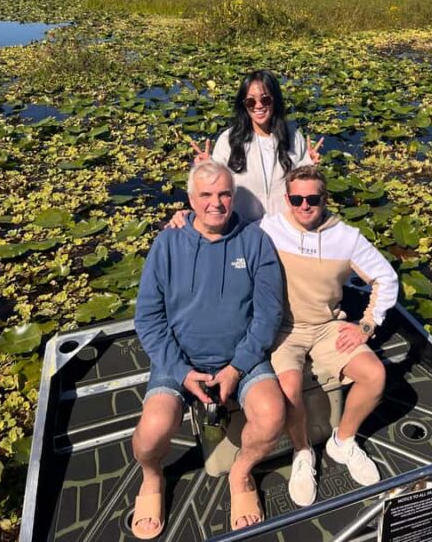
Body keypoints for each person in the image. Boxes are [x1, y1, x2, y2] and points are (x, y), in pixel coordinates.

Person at [132, 161, 286, 539]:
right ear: (190, 200)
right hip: (179, 361)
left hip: (241, 359)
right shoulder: (168, 242)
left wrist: (237, 367)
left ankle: (241, 472)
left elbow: (269, 314)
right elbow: (148, 319)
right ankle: (152, 478)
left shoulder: (255, 241)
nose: (216, 203)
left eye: (224, 194)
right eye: (206, 195)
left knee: (272, 415)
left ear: (233, 197)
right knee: (152, 431)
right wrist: (181, 371)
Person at [261, 165, 398, 507]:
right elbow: (224, 237)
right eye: (296, 198)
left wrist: (367, 325)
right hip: (284, 328)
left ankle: (343, 440)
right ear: (286, 199)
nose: (304, 205)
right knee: (289, 388)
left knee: (375, 374)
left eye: (312, 198)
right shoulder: (268, 229)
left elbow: (386, 278)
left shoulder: (347, 237)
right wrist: (185, 220)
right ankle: (302, 451)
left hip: (327, 326)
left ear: (325, 198)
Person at [186, 69, 323, 222]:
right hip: (244, 230)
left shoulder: (293, 138)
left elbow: (303, 188)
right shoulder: (228, 140)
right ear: (243, 104)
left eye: (265, 100)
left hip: (285, 227)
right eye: (250, 101)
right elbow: (216, 188)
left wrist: (310, 166)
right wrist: (206, 168)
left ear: (275, 100)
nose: (258, 106)